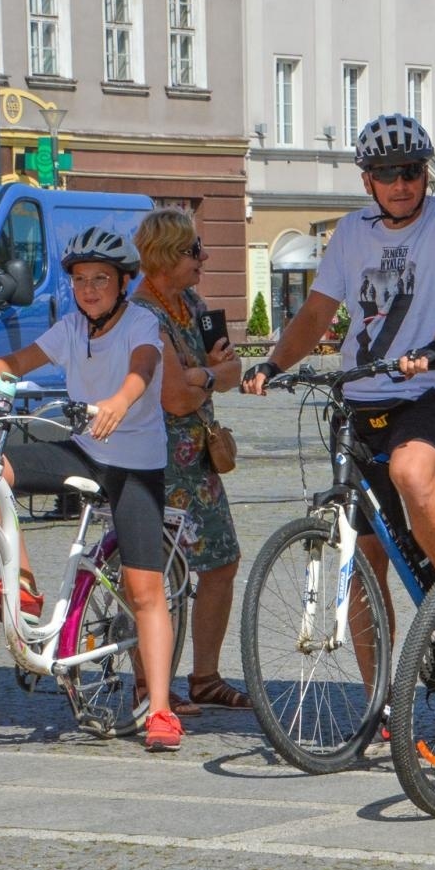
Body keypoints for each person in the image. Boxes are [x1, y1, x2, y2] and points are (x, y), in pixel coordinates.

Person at [242, 112, 435, 659]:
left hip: (424, 390)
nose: (401, 183)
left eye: (411, 171)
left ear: (426, 174)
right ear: (366, 180)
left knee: (411, 472)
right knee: (361, 560)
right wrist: (273, 364)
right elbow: (317, 310)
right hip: (358, 403)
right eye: (386, 172)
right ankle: (379, 707)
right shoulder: (351, 232)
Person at [0, 227, 184, 752]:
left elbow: (144, 366)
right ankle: (22, 584)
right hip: (84, 451)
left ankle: (161, 708)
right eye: (79, 280)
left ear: (122, 283)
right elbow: (16, 365)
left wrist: (118, 402)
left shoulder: (141, 321)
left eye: (100, 280)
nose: (88, 289)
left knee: (144, 592)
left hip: (134, 465)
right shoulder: (72, 326)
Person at [130, 208, 249, 714]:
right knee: (152, 573)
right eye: (194, 250)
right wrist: (208, 375)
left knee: (221, 562)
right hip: (155, 460)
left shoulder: (192, 304)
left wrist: (201, 374)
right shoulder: (143, 313)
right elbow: (174, 398)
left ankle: (205, 677)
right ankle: (147, 685)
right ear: (165, 255)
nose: (204, 258)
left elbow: (234, 367)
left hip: (197, 460)